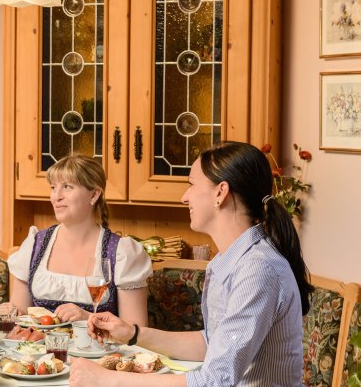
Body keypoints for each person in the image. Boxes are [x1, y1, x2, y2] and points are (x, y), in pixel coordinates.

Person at [70, 141, 313, 387]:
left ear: (220, 193)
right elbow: (212, 343)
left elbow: (215, 381)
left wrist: (106, 380)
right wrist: (132, 334)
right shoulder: (227, 262)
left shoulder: (258, 270)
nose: (185, 197)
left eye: (191, 184)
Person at [7, 154, 152, 325]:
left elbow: (135, 331)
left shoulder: (121, 252)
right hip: (39, 350)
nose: (56, 196)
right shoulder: (34, 245)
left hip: (99, 351)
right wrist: (9, 312)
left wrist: (88, 318)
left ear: (94, 195)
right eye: (53, 187)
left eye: (67, 187)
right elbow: (21, 317)